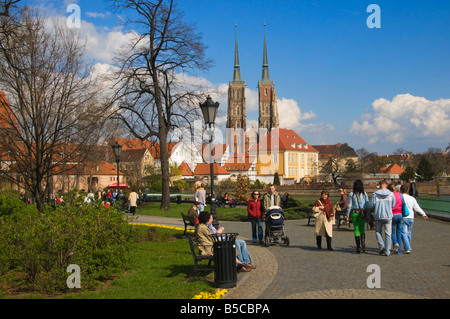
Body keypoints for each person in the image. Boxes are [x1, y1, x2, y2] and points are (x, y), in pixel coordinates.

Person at [367, 179, 396, 256]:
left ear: (379, 186)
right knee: (388, 234)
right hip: (388, 216)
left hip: (378, 215)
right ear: (386, 185)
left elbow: (371, 205)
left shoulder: (375, 194)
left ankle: (381, 246)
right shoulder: (391, 194)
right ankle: (387, 251)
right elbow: (393, 205)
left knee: (378, 231)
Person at [400, 185, 428, 253]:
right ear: (407, 190)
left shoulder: (400, 198)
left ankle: (407, 248)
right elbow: (417, 207)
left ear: (400, 190)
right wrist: (423, 214)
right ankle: (408, 246)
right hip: (411, 217)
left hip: (403, 216)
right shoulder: (412, 198)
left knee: (403, 233)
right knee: (409, 233)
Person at [346, 180, 369, 253]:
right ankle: (363, 245)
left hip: (354, 213)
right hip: (362, 212)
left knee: (356, 229)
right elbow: (367, 204)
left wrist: (347, 215)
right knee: (362, 229)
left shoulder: (351, 194)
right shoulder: (364, 194)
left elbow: (349, 205)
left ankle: (358, 247)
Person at [387, 183, 405, 254]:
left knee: (391, 231)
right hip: (400, 214)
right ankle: (399, 250)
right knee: (399, 232)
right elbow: (403, 203)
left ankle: (395, 243)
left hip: (393, 214)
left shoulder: (390, 195)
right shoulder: (400, 195)